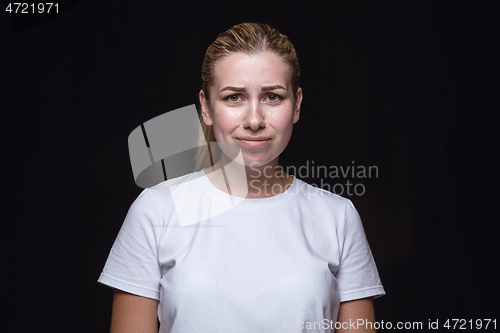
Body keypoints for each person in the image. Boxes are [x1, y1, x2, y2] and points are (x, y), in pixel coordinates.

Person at [98, 22, 385, 333]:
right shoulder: (155, 210)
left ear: (297, 104)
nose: (254, 120)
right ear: (206, 108)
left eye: (272, 97)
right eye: (234, 97)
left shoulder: (338, 217)